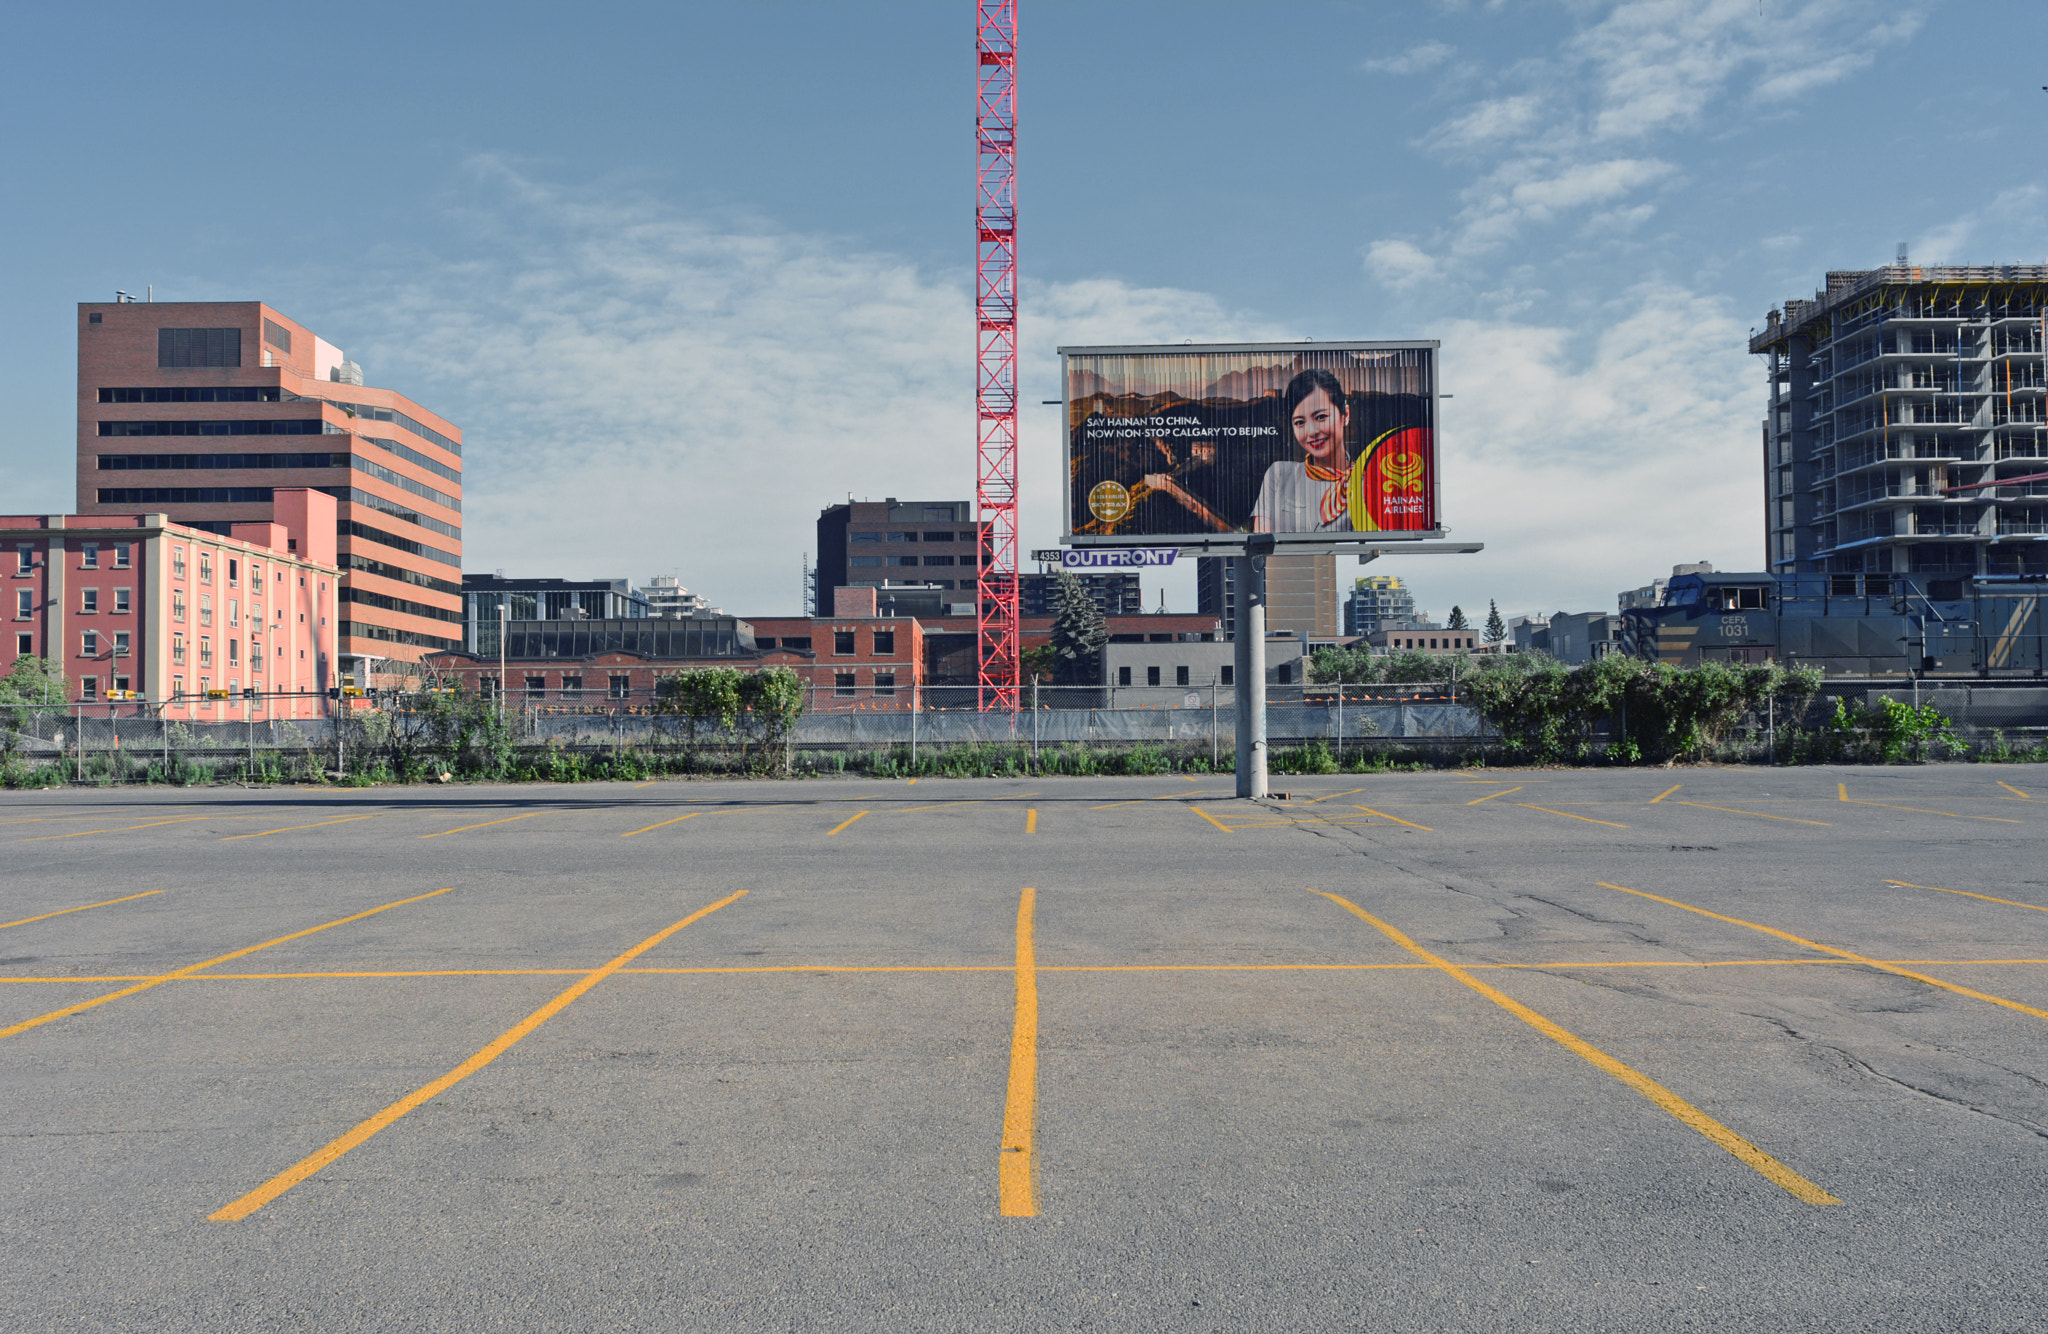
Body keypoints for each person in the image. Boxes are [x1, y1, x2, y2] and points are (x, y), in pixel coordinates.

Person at [1253, 368, 1353, 533]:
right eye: (1300, 422)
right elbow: (1261, 541)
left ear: (1345, 415)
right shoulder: (1280, 475)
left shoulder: (1367, 483)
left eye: (1321, 417)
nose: (1312, 431)